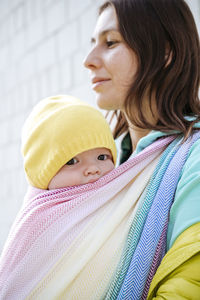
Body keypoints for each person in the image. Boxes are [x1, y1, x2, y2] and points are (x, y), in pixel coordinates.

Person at [83, 0, 200, 298]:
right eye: (93, 43)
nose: (89, 60)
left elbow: (189, 286)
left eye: (110, 43)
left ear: (164, 52)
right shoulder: (107, 162)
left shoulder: (195, 157)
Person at [21, 94, 117, 190]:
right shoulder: (45, 205)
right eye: (72, 162)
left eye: (102, 157)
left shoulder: (119, 191)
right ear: (42, 175)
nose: (93, 169)